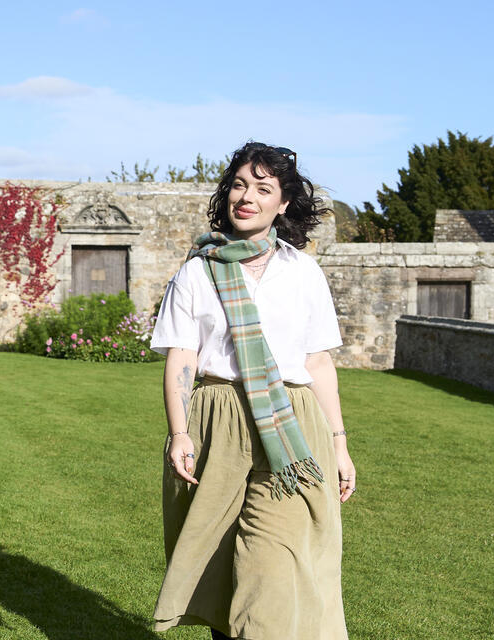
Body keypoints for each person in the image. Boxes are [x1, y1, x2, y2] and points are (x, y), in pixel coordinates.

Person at [148, 142, 355, 639]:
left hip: (291, 425)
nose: (248, 197)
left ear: (283, 204)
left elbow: (318, 362)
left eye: (263, 189)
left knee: (271, 569)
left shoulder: (304, 272)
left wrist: (340, 444)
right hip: (217, 420)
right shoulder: (198, 271)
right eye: (240, 185)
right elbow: (183, 356)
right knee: (218, 569)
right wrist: (179, 433)